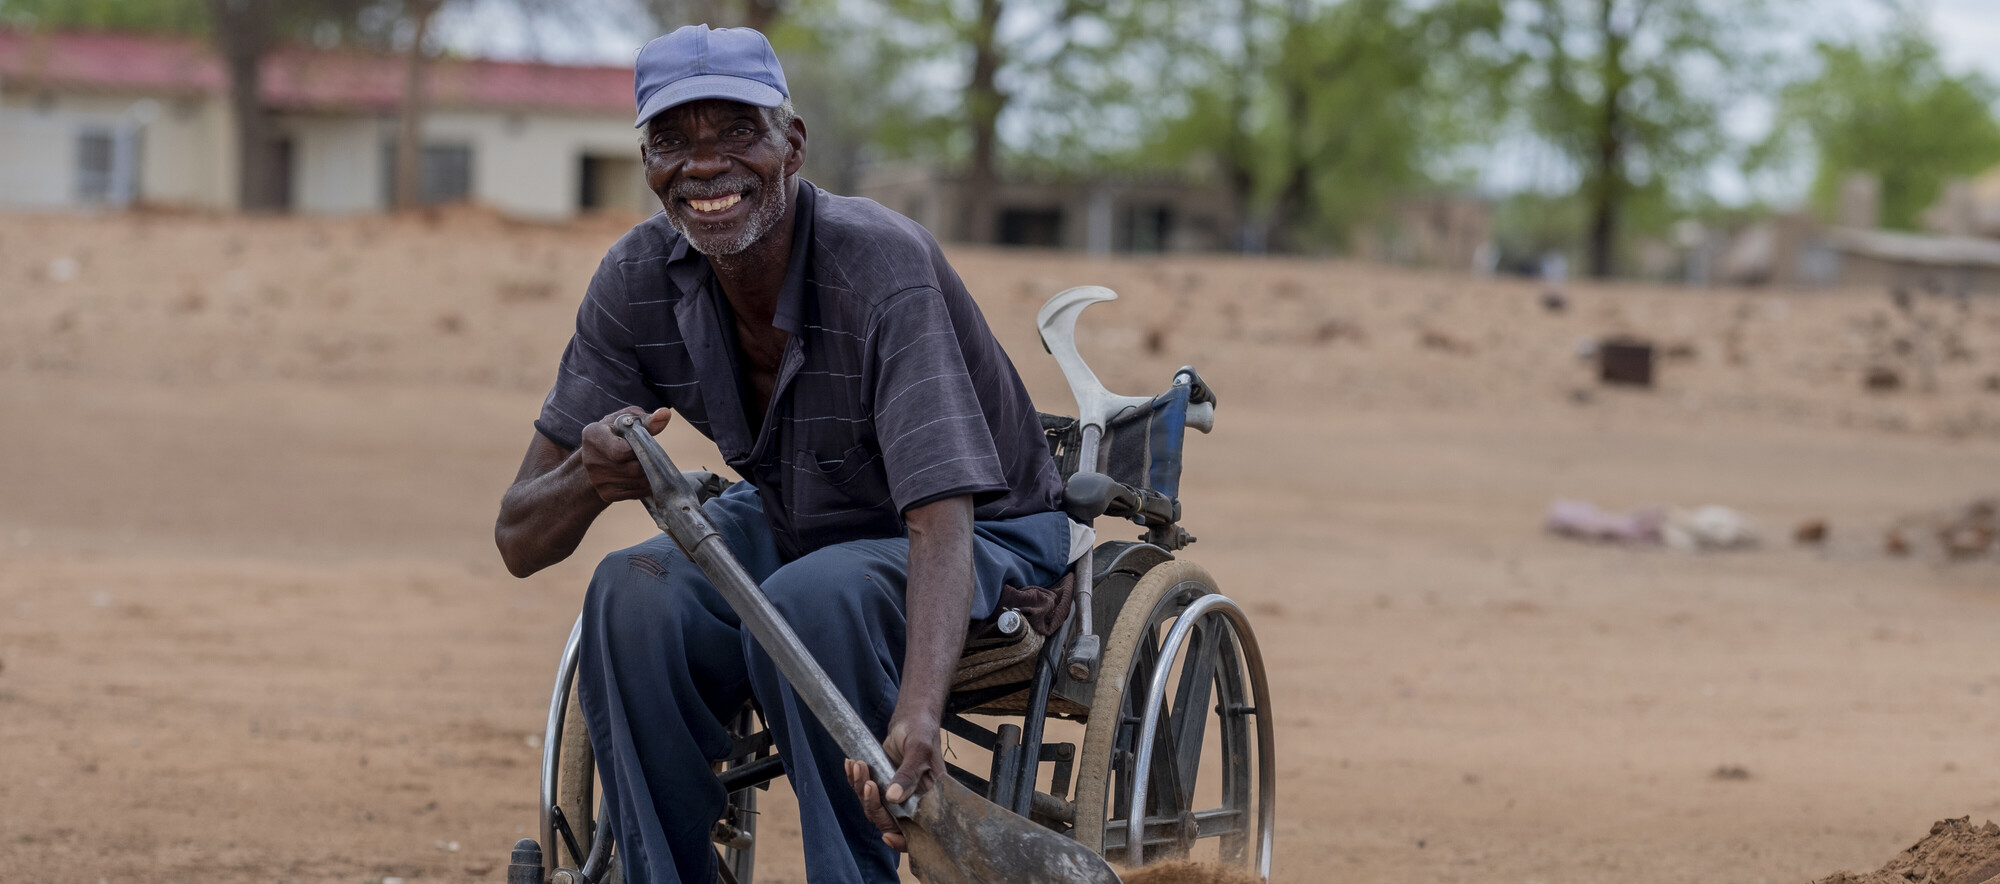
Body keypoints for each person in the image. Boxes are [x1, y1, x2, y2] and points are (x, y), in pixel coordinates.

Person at [492, 24, 1075, 884]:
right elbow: (517, 537)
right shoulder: (637, 278)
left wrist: (917, 713)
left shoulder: (882, 263)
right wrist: (587, 476)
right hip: (796, 516)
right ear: (646, 162)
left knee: (814, 594)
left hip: (983, 532)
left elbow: (940, 516)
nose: (704, 167)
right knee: (632, 590)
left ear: (792, 143)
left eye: (736, 131)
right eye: (672, 142)